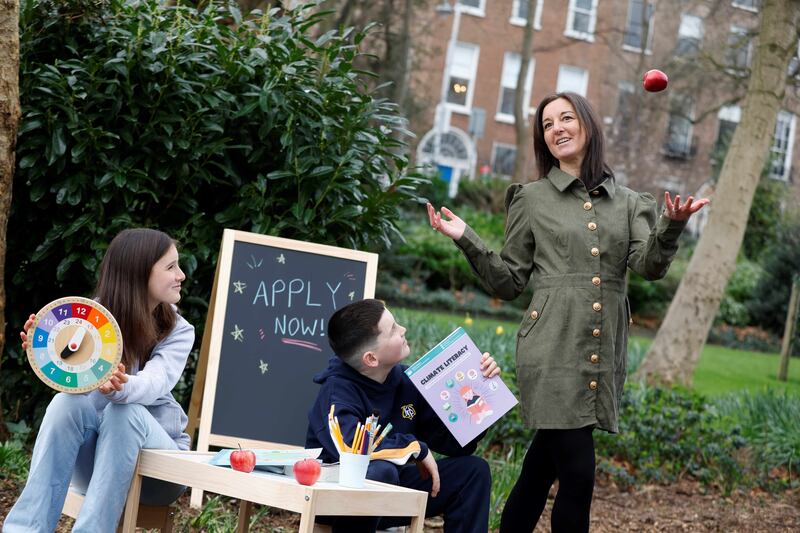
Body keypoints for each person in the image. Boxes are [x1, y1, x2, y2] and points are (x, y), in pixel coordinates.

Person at [427, 92, 709, 533]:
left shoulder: (631, 202)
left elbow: (649, 267)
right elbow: (509, 281)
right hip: (550, 347)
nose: (556, 128)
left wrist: (671, 226)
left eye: (566, 118)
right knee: (578, 474)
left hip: (599, 352)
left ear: (589, 125)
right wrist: (466, 236)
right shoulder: (532, 199)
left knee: (541, 469)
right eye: (547, 124)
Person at [4, 228, 195, 533]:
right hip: (97, 463)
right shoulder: (91, 319)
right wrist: (47, 349)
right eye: (171, 267)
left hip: (160, 473)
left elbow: (156, 382)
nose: (181, 275)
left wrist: (120, 386)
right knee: (66, 402)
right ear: (139, 272)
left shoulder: (179, 330)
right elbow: (71, 377)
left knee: (126, 411)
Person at [306, 298, 499, 533]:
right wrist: (412, 446)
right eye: (394, 329)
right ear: (371, 358)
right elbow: (351, 446)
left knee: (473, 471)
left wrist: (481, 393)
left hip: (396, 491)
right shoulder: (337, 390)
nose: (403, 329)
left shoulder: (406, 381)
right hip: (338, 498)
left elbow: (454, 444)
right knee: (380, 472)